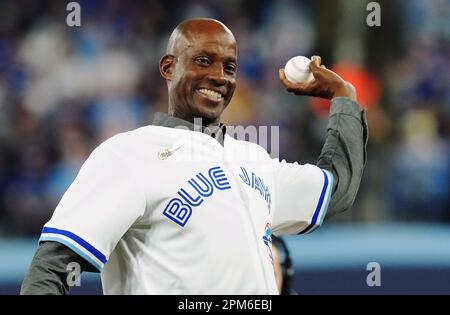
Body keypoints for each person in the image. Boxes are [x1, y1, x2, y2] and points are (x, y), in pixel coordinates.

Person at [21, 18, 367, 295]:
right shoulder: (127, 155)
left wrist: (343, 98)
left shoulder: (255, 159)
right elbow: (52, 268)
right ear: (169, 67)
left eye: (229, 67)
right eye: (204, 61)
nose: (218, 77)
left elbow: (336, 190)